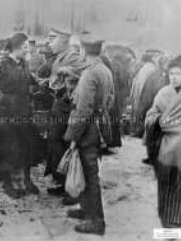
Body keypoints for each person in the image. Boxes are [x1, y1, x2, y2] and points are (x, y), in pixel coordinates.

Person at [64, 35, 114, 235]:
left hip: (88, 131)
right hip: (100, 126)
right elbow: (111, 100)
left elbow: (83, 110)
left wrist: (74, 137)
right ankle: (86, 210)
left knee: (91, 176)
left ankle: (96, 221)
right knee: (88, 171)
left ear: (84, 51)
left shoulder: (89, 74)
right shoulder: (105, 70)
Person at [0, 33, 40, 198]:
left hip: (24, 110)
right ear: (17, 47)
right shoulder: (0, 65)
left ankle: (27, 180)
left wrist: (36, 83)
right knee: (9, 148)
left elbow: (26, 82)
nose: (27, 50)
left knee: (26, 146)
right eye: (25, 47)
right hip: (6, 113)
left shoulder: (24, 63)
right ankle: (7, 183)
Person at [145, 55, 181, 230]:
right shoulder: (163, 93)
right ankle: (169, 227)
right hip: (167, 150)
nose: (174, 77)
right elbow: (150, 117)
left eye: (178, 73)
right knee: (167, 188)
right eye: (171, 73)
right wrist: (161, 121)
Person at [43, 28, 84, 200]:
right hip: (59, 105)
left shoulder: (72, 56)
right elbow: (58, 79)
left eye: (52, 39)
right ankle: (61, 182)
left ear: (63, 41)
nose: (49, 42)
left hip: (67, 107)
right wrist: (48, 81)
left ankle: (70, 186)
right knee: (55, 142)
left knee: (64, 144)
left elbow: (80, 78)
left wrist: (62, 78)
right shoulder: (61, 56)